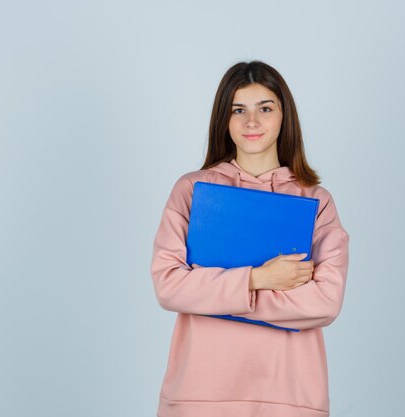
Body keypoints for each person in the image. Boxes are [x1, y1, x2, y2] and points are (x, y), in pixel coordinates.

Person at [150, 60, 350, 417]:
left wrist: (213, 291)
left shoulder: (316, 202)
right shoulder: (193, 191)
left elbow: (324, 303)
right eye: (238, 109)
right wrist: (259, 279)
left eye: (265, 108)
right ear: (224, 121)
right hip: (198, 395)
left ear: (284, 117)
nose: (251, 121)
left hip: (290, 396)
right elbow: (169, 286)